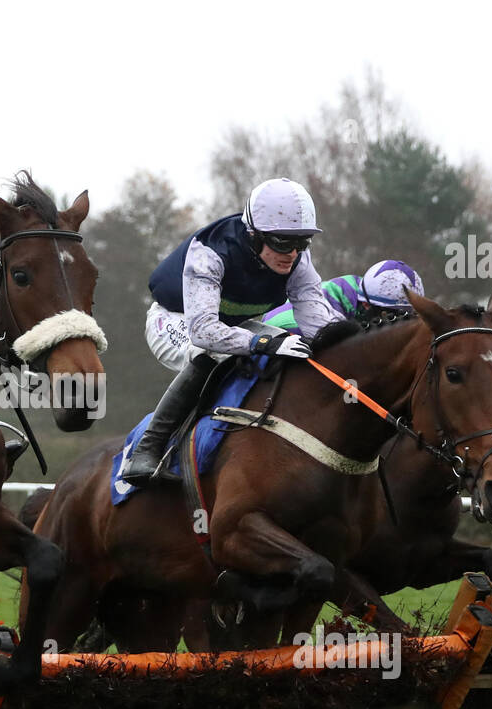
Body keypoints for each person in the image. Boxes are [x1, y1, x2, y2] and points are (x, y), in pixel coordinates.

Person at [121, 178, 339, 485]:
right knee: (212, 351)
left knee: (291, 344)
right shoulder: (211, 252)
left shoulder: (298, 262)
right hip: (177, 320)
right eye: (281, 242)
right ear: (254, 235)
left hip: (233, 327)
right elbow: (204, 332)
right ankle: (147, 450)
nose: (291, 254)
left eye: (301, 242)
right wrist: (262, 342)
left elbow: (321, 328)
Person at [261, 260, 425, 333]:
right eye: (394, 316)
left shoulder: (367, 291)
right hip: (279, 328)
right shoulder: (332, 315)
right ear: (367, 305)